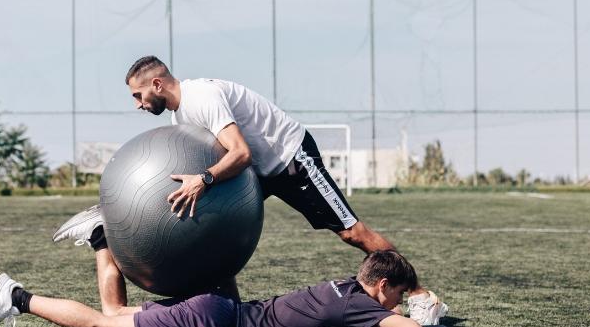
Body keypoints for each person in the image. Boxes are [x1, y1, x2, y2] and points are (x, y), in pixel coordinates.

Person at [122, 55, 393, 254]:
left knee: (352, 233)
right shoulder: (179, 116)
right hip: (258, 174)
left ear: (157, 84)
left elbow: (241, 153)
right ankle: (223, 310)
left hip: (290, 158)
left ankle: (417, 293)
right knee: (216, 233)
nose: (137, 105)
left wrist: (203, 180)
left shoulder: (202, 97)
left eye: (138, 95)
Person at [0, 249, 447, 327]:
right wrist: (419, 315)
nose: (395, 306)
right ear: (381, 285)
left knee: (113, 315)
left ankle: (103, 238)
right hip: (220, 322)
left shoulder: (346, 285)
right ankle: (17, 296)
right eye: (397, 296)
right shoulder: (359, 302)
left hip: (225, 305)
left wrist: (408, 304)